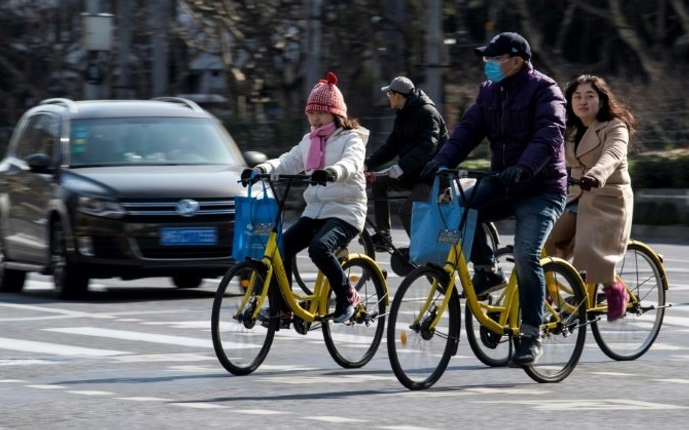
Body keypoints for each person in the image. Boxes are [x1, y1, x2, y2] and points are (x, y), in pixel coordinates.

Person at [421, 32, 568, 366]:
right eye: (486, 60)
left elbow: (549, 136)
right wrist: (440, 161)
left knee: (526, 254)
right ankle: (487, 270)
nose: (487, 65)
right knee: (461, 207)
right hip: (504, 182)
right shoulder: (489, 92)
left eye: (493, 60)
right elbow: (466, 132)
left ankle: (532, 333)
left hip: (541, 189)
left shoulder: (546, 90)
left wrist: (524, 168)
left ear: (516, 61)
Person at [243, 71, 369, 324]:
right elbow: (288, 161)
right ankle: (283, 308)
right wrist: (262, 170)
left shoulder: (350, 138)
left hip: (346, 211)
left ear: (335, 113)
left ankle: (348, 295)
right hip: (315, 211)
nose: (314, 118)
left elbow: (353, 163)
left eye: (319, 113)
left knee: (319, 249)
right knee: (281, 249)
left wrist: (333, 172)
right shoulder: (309, 141)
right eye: (310, 113)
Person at [544, 74, 636, 322]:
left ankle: (613, 288)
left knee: (588, 250)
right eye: (577, 96)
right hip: (575, 196)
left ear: (602, 100)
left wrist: (596, 175)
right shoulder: (568, 128)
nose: (582, 101)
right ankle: (548, 294)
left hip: (607, 197)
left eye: (589, 96)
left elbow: (613, 154)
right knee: (548, 242)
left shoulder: (615, 126)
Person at [364, 76, 448, 250]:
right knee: (379, 182)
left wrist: (402, 167)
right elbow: (390, 147)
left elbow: (427, 148)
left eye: (389, 94)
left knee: (406, 211)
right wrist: (367, 165)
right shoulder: (402, 115)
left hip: (431, 177)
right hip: (413, 174)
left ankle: (422, 250)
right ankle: (383, 236)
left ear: (398, 95)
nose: (388, 97)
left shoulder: (427, 113)